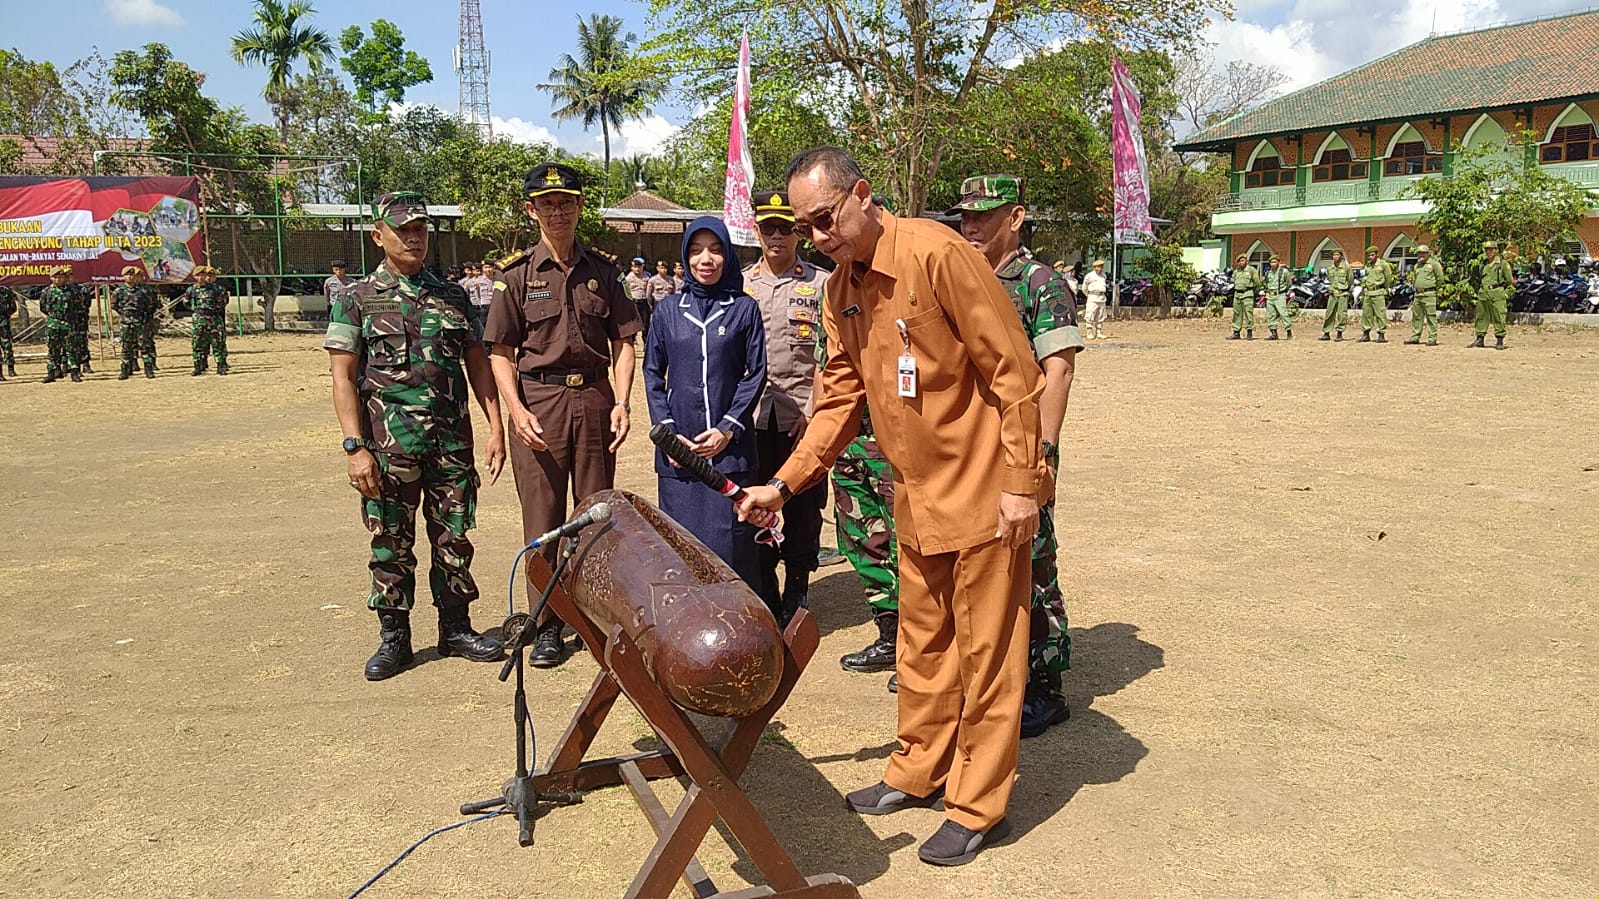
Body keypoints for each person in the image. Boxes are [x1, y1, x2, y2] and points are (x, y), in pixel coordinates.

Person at [738, 147, 1047, 866]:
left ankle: (975, 804)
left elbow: (1014, 371)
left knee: (988, 653)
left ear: (862, 196)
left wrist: (1020, 483)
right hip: (913, 498)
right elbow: (839, 397)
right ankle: (918, 767)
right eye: (805, 226)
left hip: (981, 494)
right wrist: (783, 484)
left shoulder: (940, 255)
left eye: (824, 219)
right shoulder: (841, 287)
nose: (816, 237)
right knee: (923, 644)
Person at [324, 190, 507, 681]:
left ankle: (456, 629)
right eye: (402, 229)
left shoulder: (453, 296)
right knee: (390, 542)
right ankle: (395, 639)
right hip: (387, 449)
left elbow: (477, 365)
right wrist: (354, 446)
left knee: (454, 537)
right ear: (377, 235)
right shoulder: (356, 299)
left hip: (450, 444)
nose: (413, 238)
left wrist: (496, 427)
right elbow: (343, 377)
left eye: (421, 230)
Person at [484, 162, 642, 669]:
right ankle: (548, 624)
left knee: (595, 515)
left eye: (566, 202)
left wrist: (621, 401)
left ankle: (594, 618)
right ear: (532, 211)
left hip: (594, 402)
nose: (558, 210)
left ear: (578, 208)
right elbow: (499, 353)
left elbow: (623, 343)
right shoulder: (516, 277)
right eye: (547, 203)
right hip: (540, 406)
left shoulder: (604, 272)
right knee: (545, 519)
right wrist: (515, 411)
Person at [952, 172, 1082, 738]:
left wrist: (1042, 451)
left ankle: (1045, 686)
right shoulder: (962, 278)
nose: (972, 224)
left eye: (985, 214)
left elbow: (1059, 369)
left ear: (1017, 217)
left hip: (1022, 449)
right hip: (970, 453)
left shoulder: (1039, 282)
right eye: (967, 215)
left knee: (1033, 562)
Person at [644, 217, 767, 588]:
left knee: (733, 550)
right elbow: (652, 373)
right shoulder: (667, 311)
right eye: (696, 251)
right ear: (685, 257)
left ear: (727, 255)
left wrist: (729, 429)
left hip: (730, 455)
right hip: (679, 457)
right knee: (681, 550)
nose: (706, 259)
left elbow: (756, 373)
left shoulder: (744, 308)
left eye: (715, 249)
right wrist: (668, 433)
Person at [743, 190, 829, 622]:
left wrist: (815, 410)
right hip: (753, 419)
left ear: (799, 233)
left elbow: (831, 356)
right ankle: (765, 589)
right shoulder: (740, 285)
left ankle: (798, 587)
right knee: (753, 503)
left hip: (802, 416)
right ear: (757, 230)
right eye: (768, 228)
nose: (777, 236)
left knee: (802, 506)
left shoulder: (821, 284)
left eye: (786, 228)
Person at [111, 265, 158, 380]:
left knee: (144, 346)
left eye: (132, 275)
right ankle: (124, 370)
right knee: (126, 347)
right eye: (127, 275)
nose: (130, 277)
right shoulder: (119, 291)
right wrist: (124, 314)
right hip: (126, 323)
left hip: (140, 322)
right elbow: (114, 305)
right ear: (123, 277)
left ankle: (148, 370)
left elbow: (150, 305)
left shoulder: (142, 291)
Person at [184, 265, 231, 375]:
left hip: (213, 319)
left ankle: (220, 366)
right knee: (197, 343)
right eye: (199, 276)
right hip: (199, 319)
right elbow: (186, 302)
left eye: (203, 275)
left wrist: (214, 310)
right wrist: (196, 310)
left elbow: (224, 301)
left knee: (217, 343)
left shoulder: (216, 289)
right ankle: (198, 366)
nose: (201, 278)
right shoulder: (192, 289)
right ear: (195, 277)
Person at [39, 267, 81, 383]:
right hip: (53, 324)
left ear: (64, 278)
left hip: (68, 324)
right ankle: (51, 373)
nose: (58, 279)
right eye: (55, 277)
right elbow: (43, 308)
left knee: (71, 350)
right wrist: (55, 318)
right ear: (51, 278)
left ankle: (74, 373)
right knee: (53, 350)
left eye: (60, 277)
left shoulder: (72, 292)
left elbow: (78, 307)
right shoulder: (46, 292)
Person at [1471, 241, 1513, 350]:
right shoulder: (1482, 264)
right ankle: (1480, 338)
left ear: (1496, 250)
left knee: (1499, 316)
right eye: (1486, 249)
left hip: (1497, 292)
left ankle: (1499, 340)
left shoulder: (1502, 264)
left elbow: (1509, 281)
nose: (1488, 252)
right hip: (1483, 293)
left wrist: (1505, 294)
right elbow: (1477, 278)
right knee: (1481, 316)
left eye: (1491, 249)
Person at [1405, 244, 1445, 346]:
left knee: (1431, 316)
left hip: (1429, 294)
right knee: (1417, 316)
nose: (1421, 255)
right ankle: (1415, 337)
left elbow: (1440, 279)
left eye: (1423, 253)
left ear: (1428, 254)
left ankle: (1432, 338)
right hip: (1418, 294)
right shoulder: (1417, 266)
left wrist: (1435, 289)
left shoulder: (1434, 264)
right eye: (1419, 253)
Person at [1359, 246, 1393, 342]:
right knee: (1366, 314)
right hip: (1368, 292)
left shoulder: (1383, 265)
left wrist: (1383, 289)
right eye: (1369, 255)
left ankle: (1381, 334)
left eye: (1372, 255)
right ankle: (1366, 334)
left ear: (1377, 254)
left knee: (1380, 314)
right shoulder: (1368, 266)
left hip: (1378, 292)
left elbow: (1388, 278)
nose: (1370, 257)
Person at [1321, 250, 1353, 341]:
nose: (1335, 256)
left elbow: (1350, 280)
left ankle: (1339, 333)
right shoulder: (1330, 268)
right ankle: (1326, 332)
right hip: (1332, 294)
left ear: (1341, 256)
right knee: (1329, 313)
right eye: (1334, 255)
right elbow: (1330, 281)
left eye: (1337, 254)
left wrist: (1344, 289)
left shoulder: (1346, 268)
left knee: (1342, 314)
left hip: (1342, 293)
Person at [1228, 252, 1261, 340]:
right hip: (1237, 295)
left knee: (1248, 314)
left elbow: (1257, 283)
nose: (1241, 262)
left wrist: (1253, 292)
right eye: (1240, 261)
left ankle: (1249, 332)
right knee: (1237, 313)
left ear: (1247, 261)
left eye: (1243, 260)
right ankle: (1236, 332)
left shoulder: (1251, 270)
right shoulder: (1236, 272)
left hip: (1247, 294)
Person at [458, 261, 494, 339]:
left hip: (492, 306)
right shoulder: (471, 282)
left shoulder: (495, 279)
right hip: (479, 306)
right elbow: (468, 294)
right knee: (481, 326)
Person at [1263, 254, 1294, 340]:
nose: (1273, 264)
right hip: (1270, 295)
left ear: (1278, 262)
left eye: (1275, 262)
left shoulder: (1284, 272)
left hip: (1280, 295)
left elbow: (1289, 283)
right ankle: (1273, 333)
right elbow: (1265, 283)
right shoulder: (1268, 273)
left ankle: (1288, 332)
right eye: (1271, 262)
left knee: (1283, 314)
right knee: (1270, 315)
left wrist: (1283, 291)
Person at [624, 256, 654, 340]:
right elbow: (625, 290)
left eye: (639, 267)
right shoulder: (628, 277)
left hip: (644, 301)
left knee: (645, 324)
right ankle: (632, 341)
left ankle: (646, 343)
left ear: (642, 267)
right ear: (632, 267)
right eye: (635, 267)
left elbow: (650, 290)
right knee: (633, 324)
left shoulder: (647, 276)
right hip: (633, 302)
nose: (637, 269)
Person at [68, 274, 93, 373]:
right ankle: (69, 365)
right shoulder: (63, 290)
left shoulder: (83, 289)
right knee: (68, 343)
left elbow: (87, 303)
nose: (69, 279)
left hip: (81, 320)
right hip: (67, 321)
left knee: (82, 342)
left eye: (70, 276)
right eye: (67, 277)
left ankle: (85, 364)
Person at [1082, 258, 1109, 339]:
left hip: (1102, 298)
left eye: (1101, 267)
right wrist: (1089, 295)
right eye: (1098, 267)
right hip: (1092, 297)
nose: (1099, 269)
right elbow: (1084, 288)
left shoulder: (1103, 275)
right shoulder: (1089, 276)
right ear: (1094, 267)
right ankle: (1089, 332)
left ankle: (1099, 332)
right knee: (1090, 315)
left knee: (1100, 315)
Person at [0, 282, 19, 380]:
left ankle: (11, 368)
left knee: (7, 346)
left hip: (3, 323)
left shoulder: (5, 292)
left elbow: (13, 307)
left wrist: (5, 315)